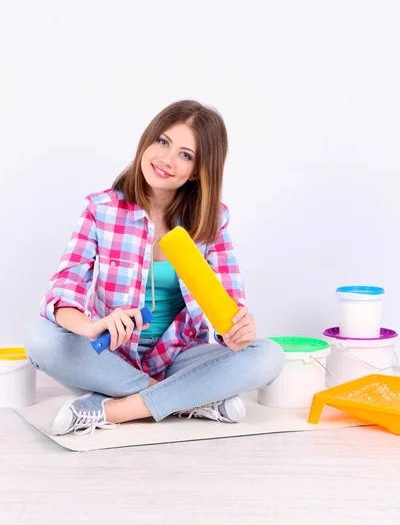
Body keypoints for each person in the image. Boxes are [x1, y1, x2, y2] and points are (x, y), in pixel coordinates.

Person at [25, 100, 284, 436]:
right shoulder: (101, 208)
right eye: (163, 142)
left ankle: (116, 409)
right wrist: (92, 327)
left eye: (185, 155)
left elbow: (228, 306)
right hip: (111, 357)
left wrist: (236, 330)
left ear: (198, 171)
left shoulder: (212, 221)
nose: (166, 159)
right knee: (39, 337)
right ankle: (187, 400)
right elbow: (62, 291)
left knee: (268, 355)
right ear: (147, 141)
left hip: (179, 357)